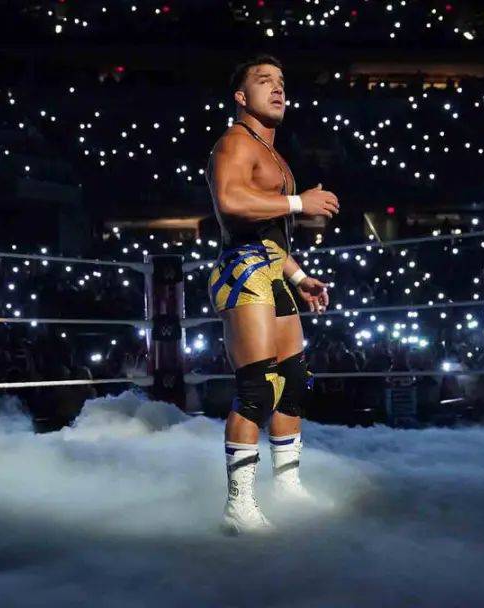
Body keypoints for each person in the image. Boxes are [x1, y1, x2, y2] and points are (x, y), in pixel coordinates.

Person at [206, 54, 339, 534]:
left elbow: (271, 236)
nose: (278, 88)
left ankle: (287, 487)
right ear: (241, 97)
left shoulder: (274, 153)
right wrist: (300, 202)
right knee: (257, 387)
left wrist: (299, 277)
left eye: (281, 81)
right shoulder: (234, 142)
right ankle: (238, 506)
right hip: (242, 271)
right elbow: (230, 201)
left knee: (294, 381)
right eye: (265, 81)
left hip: (271, 270)